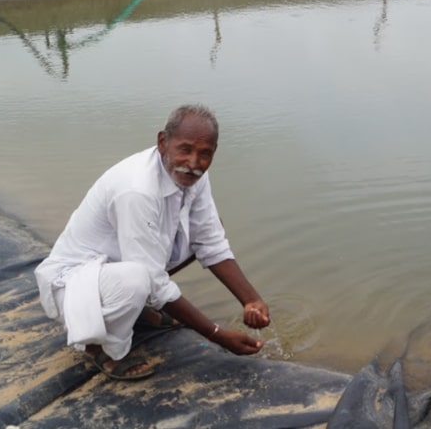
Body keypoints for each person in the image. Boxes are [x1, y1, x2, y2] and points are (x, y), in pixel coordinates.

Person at [35, 104, 270, 380]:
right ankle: (98, 347)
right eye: (185, 149)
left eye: (205, 154)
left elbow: (210, 240)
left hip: (116, 269)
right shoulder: (137, 190)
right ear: (162, 142)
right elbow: (152, 279)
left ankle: (139, 311)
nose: (194, 163)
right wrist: (216, 335)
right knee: (138, 278)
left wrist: (251, 300)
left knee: (208, 228)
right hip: (74, 286)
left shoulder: (194, 177)